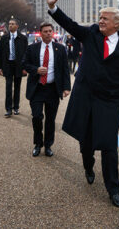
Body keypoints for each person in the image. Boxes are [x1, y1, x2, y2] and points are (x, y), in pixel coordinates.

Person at [47, 0, 119, 207]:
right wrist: (53, 7)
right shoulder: (90, 34)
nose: (101, 21)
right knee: (86, 141)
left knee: (108, 146)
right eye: (100, 17)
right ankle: (88, 166)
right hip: (85, 97)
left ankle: (113, 189)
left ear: (117, 24)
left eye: (105, 18)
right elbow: (70, 24)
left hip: (110, 101)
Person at [22, 22, 71, 157]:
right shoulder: (32, 48)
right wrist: (36, 70)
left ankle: (48, 145)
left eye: (50, 31)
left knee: (50, 119)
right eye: (45, 31)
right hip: (37, 88)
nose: (49, 33)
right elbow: (24, 63)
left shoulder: (60, 49)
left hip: (52, 89)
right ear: (40, 33)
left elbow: (65, 69)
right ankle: (38, 143)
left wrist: (66, 87)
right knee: (37, 117)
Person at [0, 19, 28, 117]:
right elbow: (0, 53)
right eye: (9, 24)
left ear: (17, 26)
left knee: (17, 87)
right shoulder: (4, 38)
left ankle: (16, 107)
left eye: (12, 24)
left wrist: (25, 67)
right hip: (8, 65)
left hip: (19, 66)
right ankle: (8, 109)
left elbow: (26, 53)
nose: (10, 25)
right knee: (8, 87)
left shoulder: (23, 38)